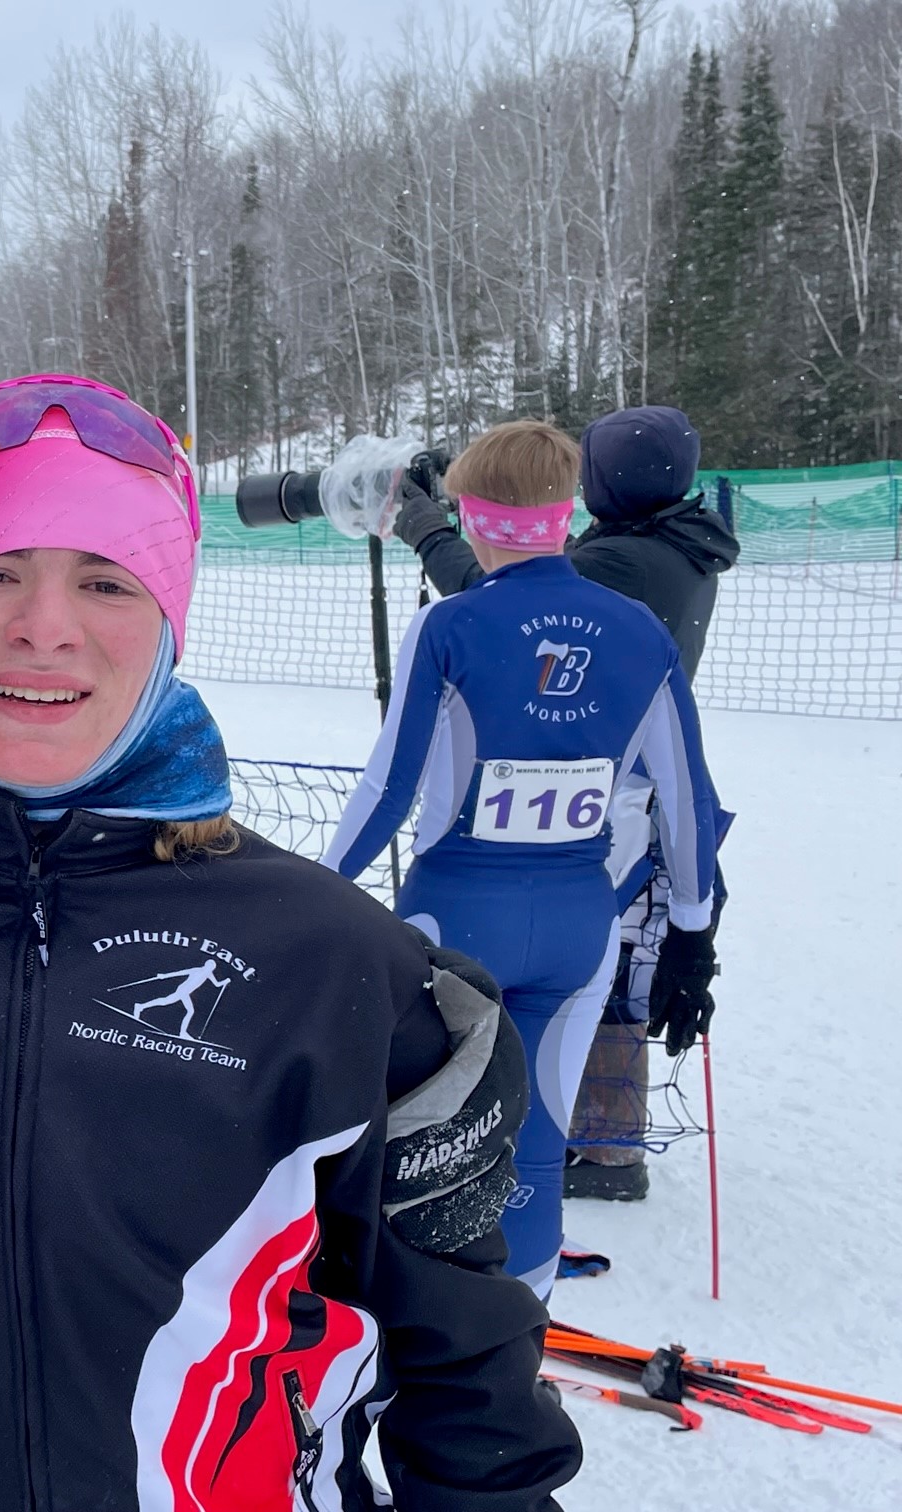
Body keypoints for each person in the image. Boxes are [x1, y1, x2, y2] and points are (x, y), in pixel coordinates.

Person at [0, 376, 579, 1508]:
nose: (46, 626)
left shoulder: (339, 968)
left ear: (169, 623)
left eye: (107, 580)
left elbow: (468, 1399)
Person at [322, 419, 722, 1300]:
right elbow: (689, 800)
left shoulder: (449, 625)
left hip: (457, 917)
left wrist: (312, 893)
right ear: (562, 513)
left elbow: (388, 792)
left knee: (426, 1132)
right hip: (582, 918)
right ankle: (515, 1341)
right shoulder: (637, 631)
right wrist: (693, 927)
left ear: (471, 517)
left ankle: (418, 1318)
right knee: (536, 1137)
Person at [394, 406, 739, 1203]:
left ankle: (588, 1144)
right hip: (618, 780)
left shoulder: (622, 565)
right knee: (604, 960)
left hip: (595, 794)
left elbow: (497, 602)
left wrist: (430, 534)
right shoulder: (677, 543)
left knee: (577, 971)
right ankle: (599, 1136)